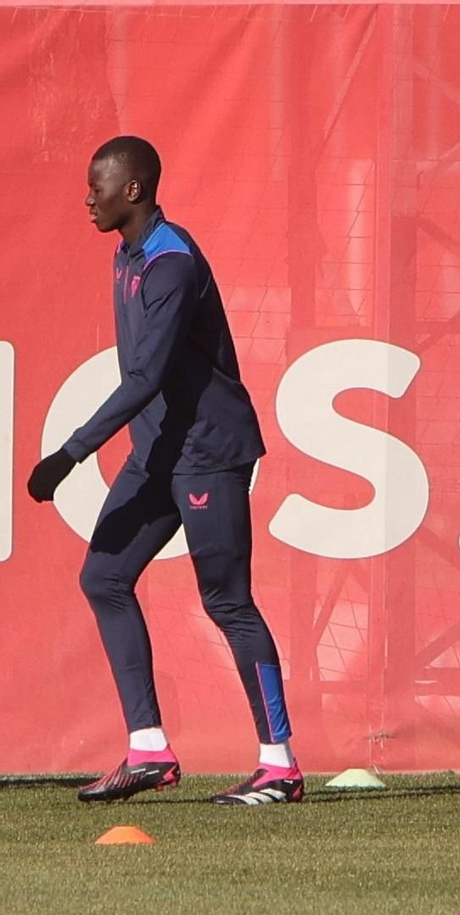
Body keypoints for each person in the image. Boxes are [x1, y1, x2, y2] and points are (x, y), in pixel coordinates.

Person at [27, 136, 302, 805]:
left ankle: (280, 764)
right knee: (104, 575)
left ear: (135, 189)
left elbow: (148, 374)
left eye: (98, 183)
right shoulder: (127, 255)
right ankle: (148, 746)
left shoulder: (171, 260)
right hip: (158, 452)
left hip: (209, 449)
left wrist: (72, 451)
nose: (87, 196)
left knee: (227, 600)